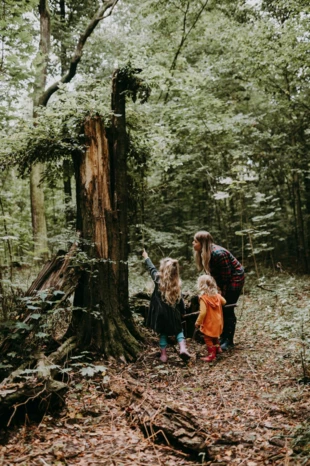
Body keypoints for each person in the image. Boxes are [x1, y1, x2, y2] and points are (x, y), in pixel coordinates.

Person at [193, 231, 245, 350]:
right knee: (221, 308)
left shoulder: (218, 254)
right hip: (223, 280)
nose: (193, 244)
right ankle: (222, 337)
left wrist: (220, 292)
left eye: (195, 241)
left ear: (202, 243)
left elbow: (226, 276)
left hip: (235, 278)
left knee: (227, 307)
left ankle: (229, 341)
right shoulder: (205, 253)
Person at [142, 249, 192, 363]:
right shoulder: (177, 284)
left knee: (163, 334)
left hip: (160, 314)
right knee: (179, 331)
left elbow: (151, 268)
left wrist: (146, 257)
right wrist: (183, 311)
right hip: (174, 314)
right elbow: (181, 301)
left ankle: (164, 355)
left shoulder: (158, 279)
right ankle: (183, 348)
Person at [195, 274, 226, 362]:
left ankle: (211, 355)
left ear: (201, 286)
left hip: (209, 323)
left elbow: (203, 312)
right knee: (215, 336)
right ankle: (218, 348)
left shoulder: (203, 298)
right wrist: (218, 296)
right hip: (218, 321)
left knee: (208, 338)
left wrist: (197, 322)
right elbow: (224, 302)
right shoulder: (217, 296)